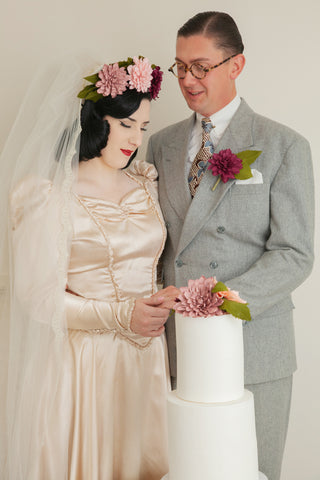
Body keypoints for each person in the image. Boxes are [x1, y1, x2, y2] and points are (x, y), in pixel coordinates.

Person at [146, 11, 314, 480]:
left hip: (254, 347)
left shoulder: (284, 145)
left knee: (252, 471)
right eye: (180, 66)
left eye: (201, 66)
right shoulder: (160, 144)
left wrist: (216, 301)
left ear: (236, 65)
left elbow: (294, 253)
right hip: (177, 346)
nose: (187, 79)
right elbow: (154, 242)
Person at [0, 55, 178, 480]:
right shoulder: (48, 195)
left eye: (143, 127)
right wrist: (120, 315)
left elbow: (147, 264)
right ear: (98, 120)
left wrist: (161, 295)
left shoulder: (146, 182)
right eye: (126, 124)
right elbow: (38, 300)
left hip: (146, 359)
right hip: (85, 364)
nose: (135, 138)